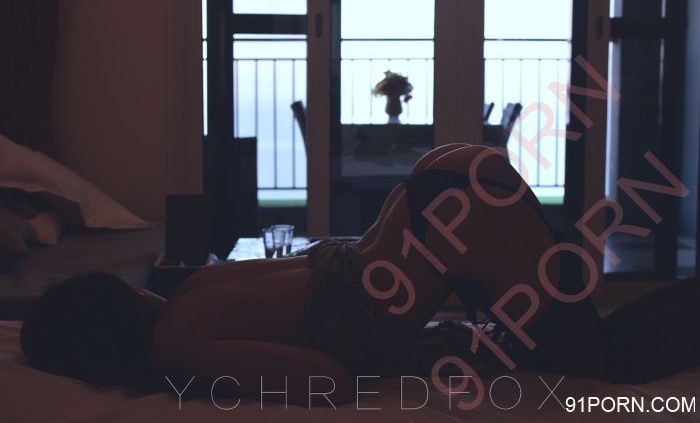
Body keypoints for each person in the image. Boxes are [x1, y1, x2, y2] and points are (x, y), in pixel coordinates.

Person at [21, 145, 700, 407]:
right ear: (130, 296)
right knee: (582, 339)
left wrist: (216, 379)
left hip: (434, 236)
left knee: (599, 363)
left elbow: (328, 382)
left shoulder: (179, 343)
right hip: (423, 201)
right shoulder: (193, 286)